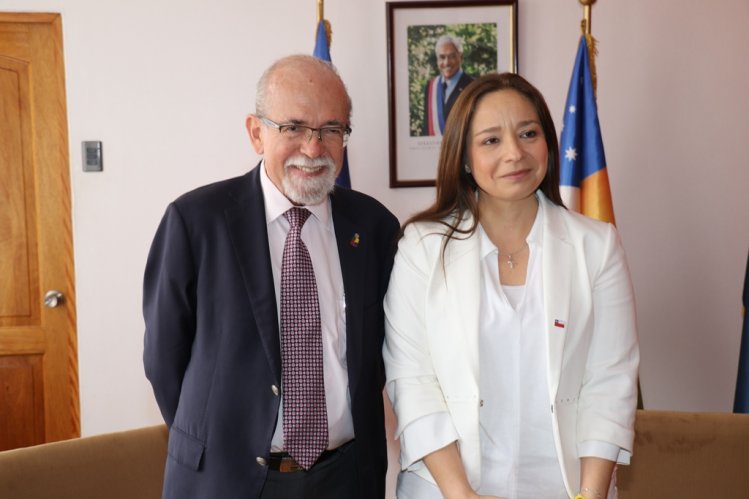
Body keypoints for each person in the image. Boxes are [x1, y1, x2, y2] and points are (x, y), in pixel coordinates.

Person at [143, 54, 400, 499]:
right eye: (294, 127)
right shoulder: (195, 221)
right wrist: (215, 443)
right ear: (255, 132)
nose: (314, 148)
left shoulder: (373, 227)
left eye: (331, 129)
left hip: (346, 477)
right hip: (225, 479)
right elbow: (164, 358)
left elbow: (382, 355)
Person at [384, 72, 639, 499]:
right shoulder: (422, 248)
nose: (515, 153)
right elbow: (413, 381)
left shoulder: (596, 246)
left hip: (570, 489)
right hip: (448, 490)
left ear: (548, 143)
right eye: (491, 141)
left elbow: (610, 382)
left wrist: (590, 496)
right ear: (463, 158)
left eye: (528, 133)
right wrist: (461, 494)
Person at [422, 35, 474, 136]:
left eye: (452, 56)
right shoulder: (431, 86)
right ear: (437, 59)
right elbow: (426, 127)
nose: (446, 63)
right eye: (442, 57)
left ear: (461, 57)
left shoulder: (472, 86)